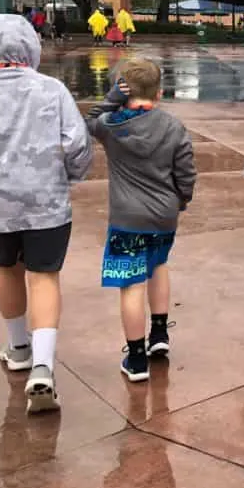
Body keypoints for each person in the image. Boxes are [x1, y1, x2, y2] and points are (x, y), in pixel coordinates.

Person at [0, 14, 92, 413]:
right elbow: (77, 145)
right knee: (44, 277)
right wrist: (68, 177)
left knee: (8, 269)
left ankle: (18, 347)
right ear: (31, 45)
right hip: (47, 203)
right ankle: (44, 366)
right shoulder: (52, 91)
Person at [86, 58, 197, 382]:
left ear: (121, 91)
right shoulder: (173, 127)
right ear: (159, 93)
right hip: (165, 215)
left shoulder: (111, 125)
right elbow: (186, 172)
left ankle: (136, 359)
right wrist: (182, 199)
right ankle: (159, 335)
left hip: (127, 218)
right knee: (158, 266)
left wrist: (111, 100)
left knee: (131, 284)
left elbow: (86, 122)